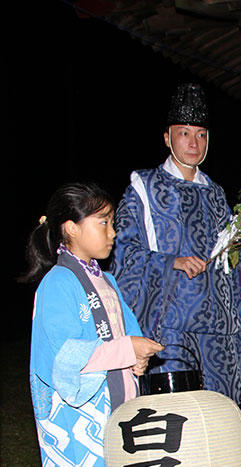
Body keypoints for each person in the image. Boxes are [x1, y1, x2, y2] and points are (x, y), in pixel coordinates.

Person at [111, 83, 241, 405]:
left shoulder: (214, 192)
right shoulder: (144, 187)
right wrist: (169, 261)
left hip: (219, 323)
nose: (194, 143)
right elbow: (123, 250)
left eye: (201, 134)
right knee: (178, 416)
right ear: (167, 137)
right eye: (184, 133)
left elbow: (224, 252)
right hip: (171, 323)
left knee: (220, 413)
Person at [23, 183, 164, 465]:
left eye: (112, 223)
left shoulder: (107, 281)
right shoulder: (57, 283)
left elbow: (128, 331)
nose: (112, 233)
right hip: (79, 422)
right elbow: (66, 357)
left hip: (117, 411)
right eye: (103, 223)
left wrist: (137, 358)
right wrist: (127, 349)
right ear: (72, 227)